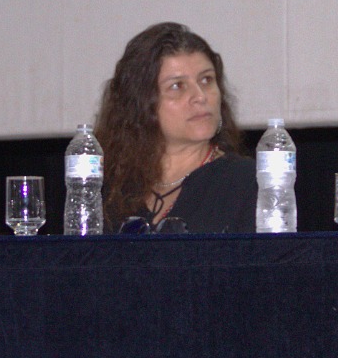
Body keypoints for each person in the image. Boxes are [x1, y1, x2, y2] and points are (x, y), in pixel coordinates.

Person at [93, 22, 255, 233]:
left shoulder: (247, 182)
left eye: (206, 80)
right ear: (141, 103)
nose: (200, 96)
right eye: (177, 86)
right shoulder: (110, 190)